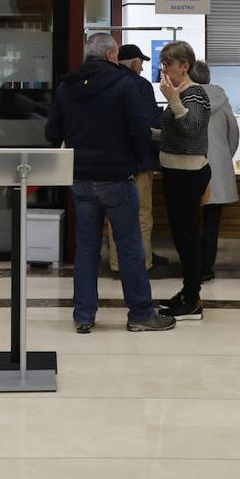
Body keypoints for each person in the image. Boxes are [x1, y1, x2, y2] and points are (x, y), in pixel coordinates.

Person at [45, 33, 175, 333]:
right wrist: (133, 161)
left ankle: (83, 316)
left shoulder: (67, 87)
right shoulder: (125, 84)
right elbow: (140, 131)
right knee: (129, 248)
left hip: (80, 179)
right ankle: (141, 314)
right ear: (109, 55)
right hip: (117, 178)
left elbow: (52, 133)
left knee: (86, 249)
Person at [155, 40, 211, 321]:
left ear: (184, 66)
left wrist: (173, 101)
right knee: (180, 234)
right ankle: (189, 292)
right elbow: (174, 131)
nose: (163, 69)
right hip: (174, 170)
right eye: (162, 63)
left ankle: (192, 298)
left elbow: (191, 128)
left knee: (187, 236)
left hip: (188, 173)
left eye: (168, 64)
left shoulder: (195, 93)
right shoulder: (177, 94)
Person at [103, 43, 164, 273]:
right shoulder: (141, 85)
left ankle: (117, 264)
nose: (141, 69)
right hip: (139, 161)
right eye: (141, 64)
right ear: (136, 63)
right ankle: (142, 263)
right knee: (141, 215)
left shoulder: (105, 83)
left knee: (115, 215)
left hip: (110, 163)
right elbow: (149, 125)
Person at [189, 60, 239, 283]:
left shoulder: (185, 97)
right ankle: (206, 268)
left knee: (189, 222)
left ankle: (190, 266)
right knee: (211, 223)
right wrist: (224, 157)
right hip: (216, 169)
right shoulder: (222, 99)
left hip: (189, 167)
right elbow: (233, 134)